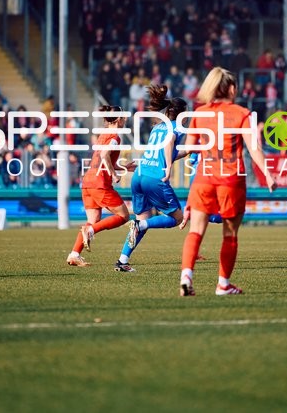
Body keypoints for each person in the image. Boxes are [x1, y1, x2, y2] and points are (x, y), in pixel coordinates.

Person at [179, 67, 277, 297]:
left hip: (203, 179)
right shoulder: (242, 113)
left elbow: (189, 147)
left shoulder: (200, 113)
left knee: (195, 231)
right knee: (230, 234)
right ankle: (223, 284)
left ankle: (186, 276)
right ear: (232, 88)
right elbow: (254, 148)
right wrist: (268, 174)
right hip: (231, 180)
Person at [115, 85, 188, 273]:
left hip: (140, 175)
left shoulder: (158, 127)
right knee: (177, 218)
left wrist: (188, 151)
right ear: (181, 114)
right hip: (155, 177)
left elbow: (165, 152)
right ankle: (139, 225)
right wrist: (169, 169)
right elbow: (169, 144)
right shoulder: (177, 128)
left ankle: (122, 260)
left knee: (143, 218)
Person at [66, 105, 136, 267]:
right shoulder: (115, 136)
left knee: (93, 220)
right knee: (124, 216)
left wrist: (124, 167)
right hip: (100, 184)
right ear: (119, 119)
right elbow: (104, 155)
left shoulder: (103, 135)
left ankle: (74, 254)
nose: (125, 119)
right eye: (124, 117)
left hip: (88, 182)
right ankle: (89, 231)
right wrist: (114, 174)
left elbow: (103, 159)